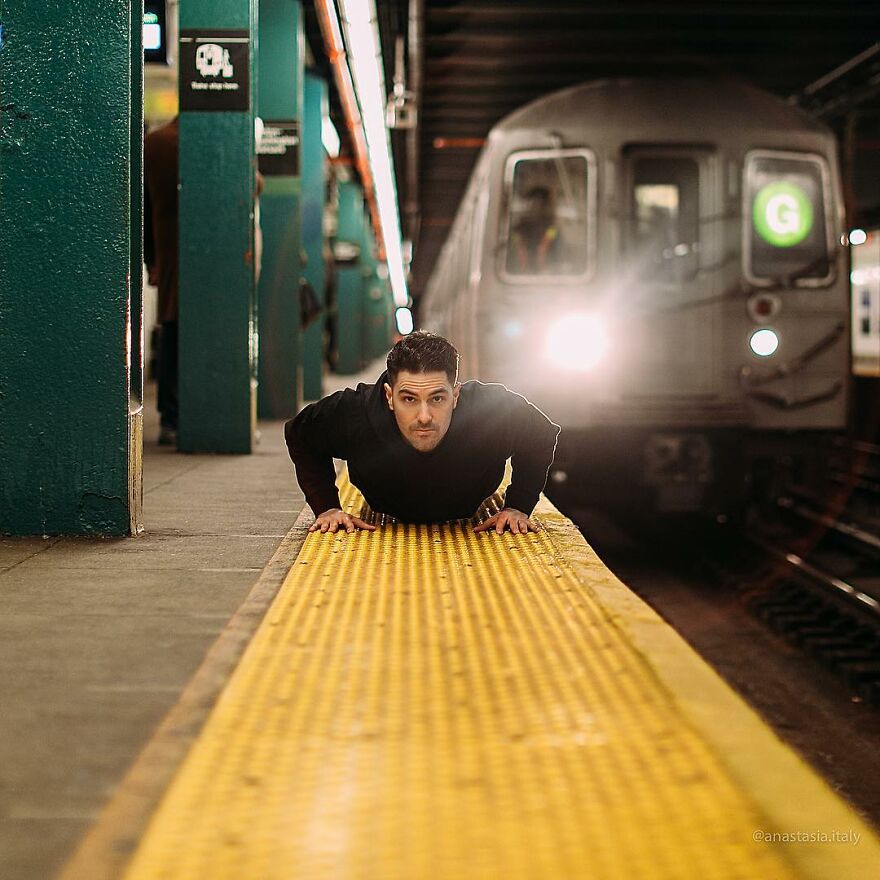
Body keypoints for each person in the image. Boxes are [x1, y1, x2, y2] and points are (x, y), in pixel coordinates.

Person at [284, 332, 560, 534]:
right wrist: (327, 507)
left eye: (437, 399)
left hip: (467, 508)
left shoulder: (492, 411)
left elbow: (541, 435)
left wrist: (518, 506)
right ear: (389, 397)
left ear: (456, 395)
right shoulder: (357, 413)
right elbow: (300, 434)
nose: (424, 416)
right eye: (409, 399)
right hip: (387, 509)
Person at [144, 116, 180, 445]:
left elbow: (142, 209)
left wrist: (151, 259)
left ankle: (170, 416)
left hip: (168, 254)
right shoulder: (214, 139)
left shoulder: (154, 143)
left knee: (171, 326)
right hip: (209, 259)